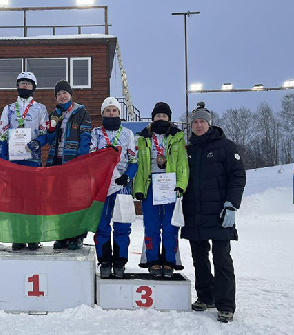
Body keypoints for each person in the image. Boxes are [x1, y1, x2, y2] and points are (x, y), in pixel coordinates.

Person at [182, 102, 246, 323]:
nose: (198, 126)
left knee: (222, 259)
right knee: (199, 258)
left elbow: (237, 177)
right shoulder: (187, 150)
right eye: (195, 122)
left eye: (202, 121)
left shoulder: (226, 147)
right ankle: (205, 297)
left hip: (219, 212)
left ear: (210, 124)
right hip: (194, 212)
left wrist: (231, 204)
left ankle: (225, 304)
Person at [133, 102, 189, 278]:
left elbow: (182, 165)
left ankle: (169, 261)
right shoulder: (143, 138)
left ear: (169, 119)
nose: (161, 119)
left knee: (170, 226)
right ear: (153, 118)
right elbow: (138, 165)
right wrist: (138, 188)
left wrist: (181, 184)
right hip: (150, 187)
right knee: (151, 226)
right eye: (158, 116)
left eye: (164, 116)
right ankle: (153, 261)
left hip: (170, 187)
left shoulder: (178, 138)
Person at [0, 72, 48, 251]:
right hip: (14, 161)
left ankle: (33, 236)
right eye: (22, 84)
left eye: (28, 84)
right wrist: (3, 160)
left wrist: (38, 143)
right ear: (17, 86)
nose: (25, 86)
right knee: (16, 200)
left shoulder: (40, 109)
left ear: (34, 87)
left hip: (32, 159)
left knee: (32, 200)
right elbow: (3, 135)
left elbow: (45, 133)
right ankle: (18, 236)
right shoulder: (9, 109)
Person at [91, 97, 137, 278]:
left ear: (119, 113)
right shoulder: (96, 133)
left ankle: (120, 262)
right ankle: (104, 261)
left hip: (121, 186)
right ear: (102, 113)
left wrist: (127, 177)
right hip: (102, 185)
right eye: (108, 110)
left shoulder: (127, 134)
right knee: (102, 225)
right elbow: (91, 158)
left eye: (114, 111)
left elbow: (133, 160)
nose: (111, 113)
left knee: (122, 225)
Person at [46, 80, 92, 250]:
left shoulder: (81, 113)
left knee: (75, 201)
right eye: (58, 94)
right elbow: (50, 140)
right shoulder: (54, 114)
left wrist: (80, 161)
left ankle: (76, 236)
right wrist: (50, 130)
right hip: (56, 162)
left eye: (64, 93)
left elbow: (86, 138)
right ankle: (62, 235)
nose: (62, 96)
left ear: (70, 95)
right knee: (58, 201)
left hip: (73, 163)